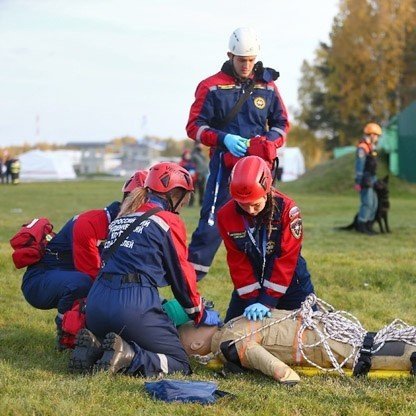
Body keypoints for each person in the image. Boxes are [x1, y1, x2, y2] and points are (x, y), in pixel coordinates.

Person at [70, 162, 221, 376]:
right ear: (174, 194)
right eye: (185, 197)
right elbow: (182, 275)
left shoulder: (121, 219)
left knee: (136, 329)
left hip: (96, 303)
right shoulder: (168, 220)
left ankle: (96, 349)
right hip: (132, 305)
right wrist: (199, 311)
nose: (185, 203)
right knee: (179, 362)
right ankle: (130, 357)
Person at [186, 27, 289, 280]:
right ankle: (188, 287)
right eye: (241, 60)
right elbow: (194, 127)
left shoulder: (267, 86)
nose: (246, 66)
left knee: (266, 222)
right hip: (224, 165)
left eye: (251, 60)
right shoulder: (210, 87)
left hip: (258, 167)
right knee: (210, 227)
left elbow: (282, 123)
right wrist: (224, 139)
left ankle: (266, 282)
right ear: (230, 55)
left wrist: (268, 143)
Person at [20, 170, 146, 349]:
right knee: (87, 284)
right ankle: (66, 333)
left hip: (66, 276)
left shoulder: (129, 225)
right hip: (41, 281)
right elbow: (93, 273)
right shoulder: (90, 223)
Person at [178, 294, 416, 384]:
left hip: (313, 335)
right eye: (197, 325)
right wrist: (282, 372)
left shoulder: (228, 330)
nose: (204, 320)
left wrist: (282, 373)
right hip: (314, 337)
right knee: (366, 348)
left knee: (365, 349)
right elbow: (251, 351)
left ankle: (409, 352)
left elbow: (253, 348)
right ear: (196, 345)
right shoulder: (226, 341)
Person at [217, 156, 315, 323]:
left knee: (311, 331)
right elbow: (237, 260)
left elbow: (286, 257)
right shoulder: (225, 216)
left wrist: (267, 301)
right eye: (242, 204)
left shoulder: (287, 210)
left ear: (267, 190)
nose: (250, 210)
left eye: (255, 204)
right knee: (230, 336)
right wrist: (251, 299)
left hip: (290, 279)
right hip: (251, 279)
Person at [354, 122, 382, 235]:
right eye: (375, 135)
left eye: (377, 135)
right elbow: (359, 166)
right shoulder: (362, 148)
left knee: (374, 203)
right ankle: (362, 225)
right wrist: (358, 182)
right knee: (367, 203)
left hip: (373, 178)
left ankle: (369, 226)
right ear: (370, 134)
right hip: (365, 179)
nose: (376, 137)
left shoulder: (371, 147)